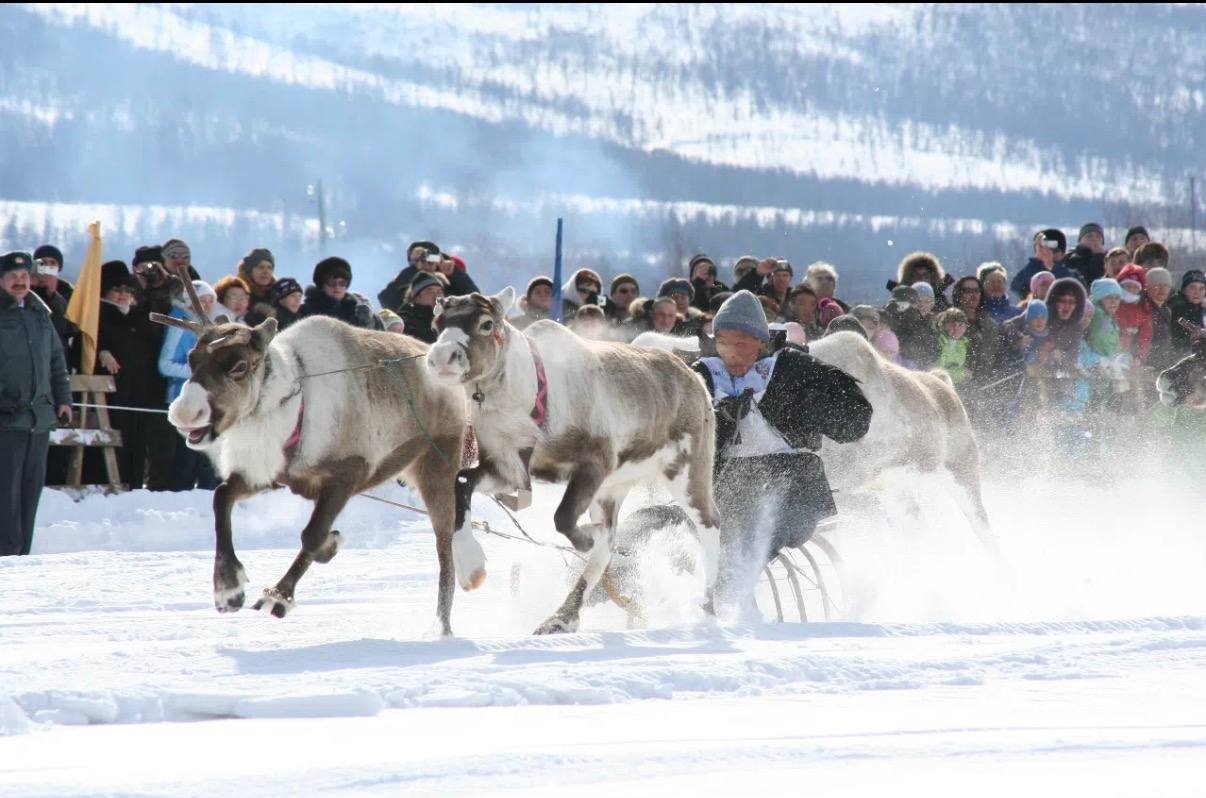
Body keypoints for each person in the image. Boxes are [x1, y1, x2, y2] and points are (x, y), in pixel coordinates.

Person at [691, 290, 871, 612]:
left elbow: (856, 420)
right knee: (671, 519)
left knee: (762, 525)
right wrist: (718, 419)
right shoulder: (703, 374)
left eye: (742, 343)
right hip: (726, 482)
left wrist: (806, 405)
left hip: (791, 479)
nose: (731, 352)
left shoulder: (791, 367)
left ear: (760, 341)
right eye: (723, 342)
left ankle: (731, 587)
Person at [0, 252, 72, 555]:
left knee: (30, 492)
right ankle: (6, 552)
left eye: (25, 276)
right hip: (7, 419)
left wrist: (64, 399)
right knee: (6, 493)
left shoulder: (39, 314)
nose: (20, 281)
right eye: (14, 277)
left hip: (37, 419)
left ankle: (21, 552)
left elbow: (56, 361)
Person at [158, 280, 220, 491]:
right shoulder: (180, 322)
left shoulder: (207, 325)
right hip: (182, 400)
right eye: (201, 300)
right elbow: (165, 364)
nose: (207, 305)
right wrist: (201, 374)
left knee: (206, 457)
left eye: (210, 300)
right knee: (185, 461)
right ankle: (177, 497)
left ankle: (204, 497)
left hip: (205, 403)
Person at [299, 257, 376, 329]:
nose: (337, 287)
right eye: (331, 282)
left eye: (342, 283)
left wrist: (369, 322)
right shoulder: (305, 312)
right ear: (321, 285)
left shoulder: (358, 311)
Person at [935, 308, 971, 386]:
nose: (956, 328)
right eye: (952, 324)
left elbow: (958, 366)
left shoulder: (964, 342)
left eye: (960, 325)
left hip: (957, 385)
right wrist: (962, 374)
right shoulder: (938, 341)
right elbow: (939, 372)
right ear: (943, 325)